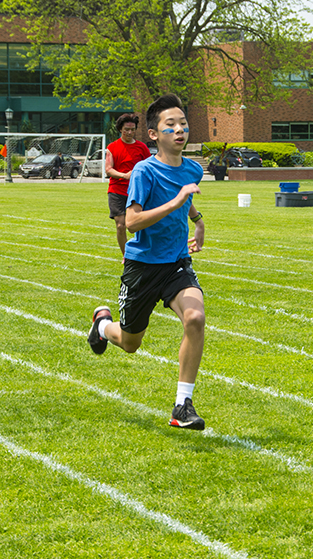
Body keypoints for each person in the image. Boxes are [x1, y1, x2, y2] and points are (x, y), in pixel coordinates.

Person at [87, 94, 207, 430]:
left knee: (195, 317)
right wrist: (178, 201)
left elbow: (188, 204)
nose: (180, 129)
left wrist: (198, 220)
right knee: (129, 344)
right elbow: (133, 221)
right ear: (154, 134)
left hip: (175, 264)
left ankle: (183, 406)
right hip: (142, 267)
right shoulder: (144, 170)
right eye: (171, 125)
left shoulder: (193, 168)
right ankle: (101, 325)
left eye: (183, 123)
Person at [104, 113, 150, 255]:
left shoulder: (142, 148)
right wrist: (124, 175)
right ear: (120, 129)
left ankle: (144, 251)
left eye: (132, 129)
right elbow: (108, 169)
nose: (130, 132)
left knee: (137, 225)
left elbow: (149, 168)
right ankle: (126, 256)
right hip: (117, 190)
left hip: (137, 191)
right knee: (120, 225)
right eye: (126, 129)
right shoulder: (112, 147)